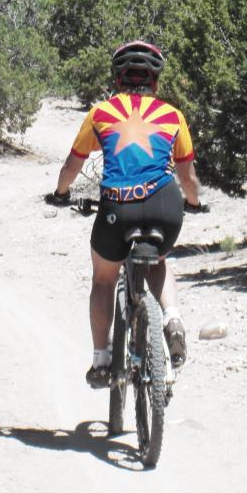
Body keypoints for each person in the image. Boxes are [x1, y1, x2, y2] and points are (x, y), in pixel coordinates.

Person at [46, 40, 205, 389]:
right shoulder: (173, 116)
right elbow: (188, 178)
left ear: (118, 80)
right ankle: (173, 318)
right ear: (155, 83)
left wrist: (60, 193)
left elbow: (73, 164)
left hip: (118, 206)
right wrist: (193, 203)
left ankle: (102, 361)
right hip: (165, 204)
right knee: (158, 261)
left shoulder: (101, 113)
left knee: (104, 279)